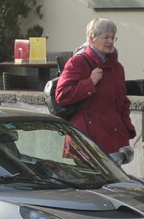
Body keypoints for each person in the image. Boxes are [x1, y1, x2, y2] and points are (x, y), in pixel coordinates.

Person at [55, 18, 136, 154]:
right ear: (92, 39)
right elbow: (62, 95)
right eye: (106, 37)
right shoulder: (78, 62)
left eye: (113, 37)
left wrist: (126, 127)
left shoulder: (117, 68)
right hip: (86, 141)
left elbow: (123, 102)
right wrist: (89, 83)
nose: (110, 41)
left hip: (114, 138)